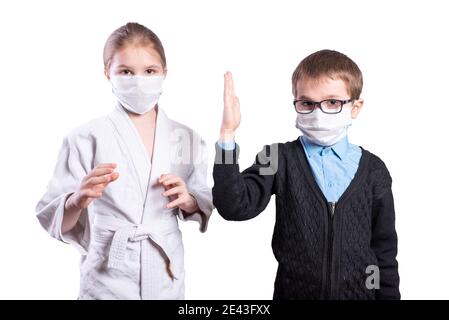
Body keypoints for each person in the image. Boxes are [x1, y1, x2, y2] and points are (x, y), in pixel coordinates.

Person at [36, 22, 213, 300]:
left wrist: (189, 200)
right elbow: (52, 215)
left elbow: (201, 202)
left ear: (164, 73)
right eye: (126, 71)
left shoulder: (186, 138)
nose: (138, 80)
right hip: (108, 275)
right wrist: (77, 200)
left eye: (149, 71)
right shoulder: (85, 137)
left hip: (165, 270)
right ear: (108, 73)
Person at [213, 50, 400, 299]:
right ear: (296, 102)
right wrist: (227, 134)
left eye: (332, 102)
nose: (318, 112)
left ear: (355, 107)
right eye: (307, 103)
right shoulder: (277, 157)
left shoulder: (374, 170)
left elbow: (383, 252)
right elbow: (234, 206)